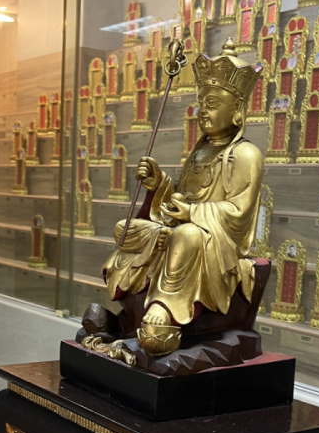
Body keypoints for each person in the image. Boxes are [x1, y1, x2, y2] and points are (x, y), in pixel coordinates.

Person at [103, 39, 263, 356]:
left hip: (215, 239)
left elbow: (238, 211)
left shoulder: (246, 154)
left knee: (187, 236)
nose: (204, 110)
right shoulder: (199, 151)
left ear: (237, 110)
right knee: (125, 228)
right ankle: (149, 284)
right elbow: (182, 196)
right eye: (202, 103)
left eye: (213, 103)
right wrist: (160, 184)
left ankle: (164, 309)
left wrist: (191, 213)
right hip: (183, 225)